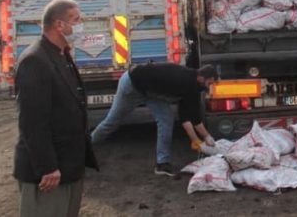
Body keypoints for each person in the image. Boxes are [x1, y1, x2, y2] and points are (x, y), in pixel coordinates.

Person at [13, 0, 99, 217]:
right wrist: (47, 167)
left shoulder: (62, 54)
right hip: (49, 174)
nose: (81, 25)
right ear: (59, 25)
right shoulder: (35, 61)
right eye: (76, 20)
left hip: (69, 166)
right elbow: (33, 122)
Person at [91, 63, 219, 176]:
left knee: (166, 118)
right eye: (210, 83)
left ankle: (162, 164)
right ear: (202, 78)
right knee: (112, 122)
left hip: (150, 92)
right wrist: (198, 140)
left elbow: (190, 116)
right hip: (133, 84)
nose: (209, 87)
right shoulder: (183, 81)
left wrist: (205, 138)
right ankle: (85, 148)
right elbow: (189, 118)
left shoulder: (193, 86)